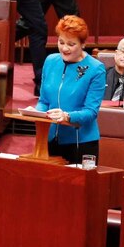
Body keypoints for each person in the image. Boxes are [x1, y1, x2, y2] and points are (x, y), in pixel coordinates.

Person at [35, 15, 106, 164]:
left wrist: (67, 116)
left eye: (71, 44)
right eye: (61, 42)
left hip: (80, 142)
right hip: (49, 139)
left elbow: (91, 112)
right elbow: (44, 100)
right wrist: (36, 113)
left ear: (83, 44)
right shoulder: (50, 61)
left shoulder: (95, 69)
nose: (64, 48)